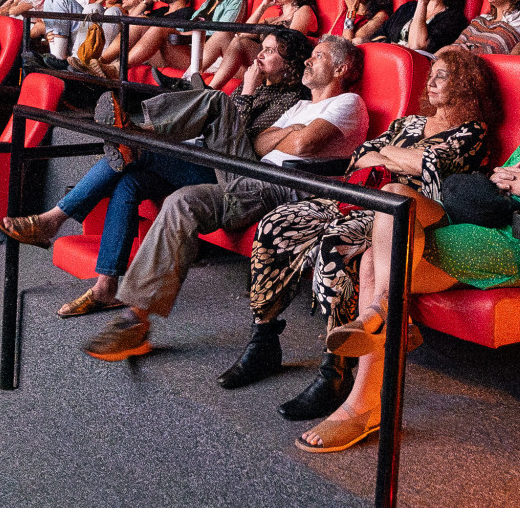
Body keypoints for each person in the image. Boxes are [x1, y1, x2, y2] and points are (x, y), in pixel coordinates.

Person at [299, 51, 520, 452]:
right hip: (481, 221)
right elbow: (500, 180)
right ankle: (386, 318)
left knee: (377, 257)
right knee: (394, 198)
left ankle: (364, 400)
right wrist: (511, 180)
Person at [227, 50, 497, 417]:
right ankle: (264, 338)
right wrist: (394, 156)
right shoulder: (411, 122)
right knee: (278, 223)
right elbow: (360, 157)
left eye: (444, 76)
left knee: (336, 244)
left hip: (403, 210)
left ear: (466, 86)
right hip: (358, 194)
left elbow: (436, 165)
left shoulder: (472, 130)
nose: (431, 83)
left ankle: (335, 370)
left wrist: (388, 154)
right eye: (431, 74)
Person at [81, 36, 371, 361]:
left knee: (204, 142)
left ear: (341, 68)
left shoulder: (349, 103)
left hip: (288, 185)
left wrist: (288, 137)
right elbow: (260, 144)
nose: (308, 61)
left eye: (317, 56)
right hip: (250, 174)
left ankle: (136, 137)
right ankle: (135, 320)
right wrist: (293, 131)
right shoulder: (301, 108)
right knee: (212, 116)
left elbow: (304, 146)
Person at [0, 31, 314, 317]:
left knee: (141, 149)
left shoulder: (292, 101)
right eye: (264, 48)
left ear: (291, 66)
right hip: (203, 155)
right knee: (128, 180)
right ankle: (105, 288)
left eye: (271, 52)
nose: (260, 56)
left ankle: (59, 213)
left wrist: (246, 88)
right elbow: (223, 126)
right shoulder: (260, 89)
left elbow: (249, 139)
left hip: (230, 177)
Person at [206, 0, 320, 90]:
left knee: (239, 43)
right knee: (222, 35)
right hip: (259, 64)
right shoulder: (273, 19)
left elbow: (291, 43)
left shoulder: (304, 10)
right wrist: (263, 6)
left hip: (281, 67)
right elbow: (244, 32)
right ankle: (191, 76)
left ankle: (209, 89)